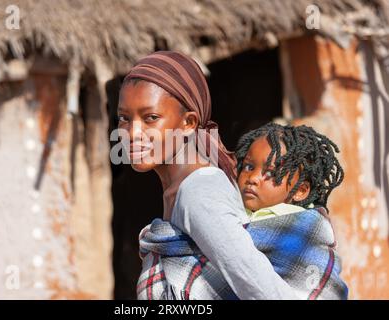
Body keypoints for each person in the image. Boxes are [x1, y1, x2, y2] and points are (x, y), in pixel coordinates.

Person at [118, 50, 300, 300]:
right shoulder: (179, 191)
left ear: (189, 123)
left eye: (151, 118)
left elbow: (264, 290)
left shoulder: (198, 192)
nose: (132, 132)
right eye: (124, 118)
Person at [235, 122, 348, 299]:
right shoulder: (230, 207)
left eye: (271, 173)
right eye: (249, 167)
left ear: (300, 191)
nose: (253, 178)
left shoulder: (303, 226)